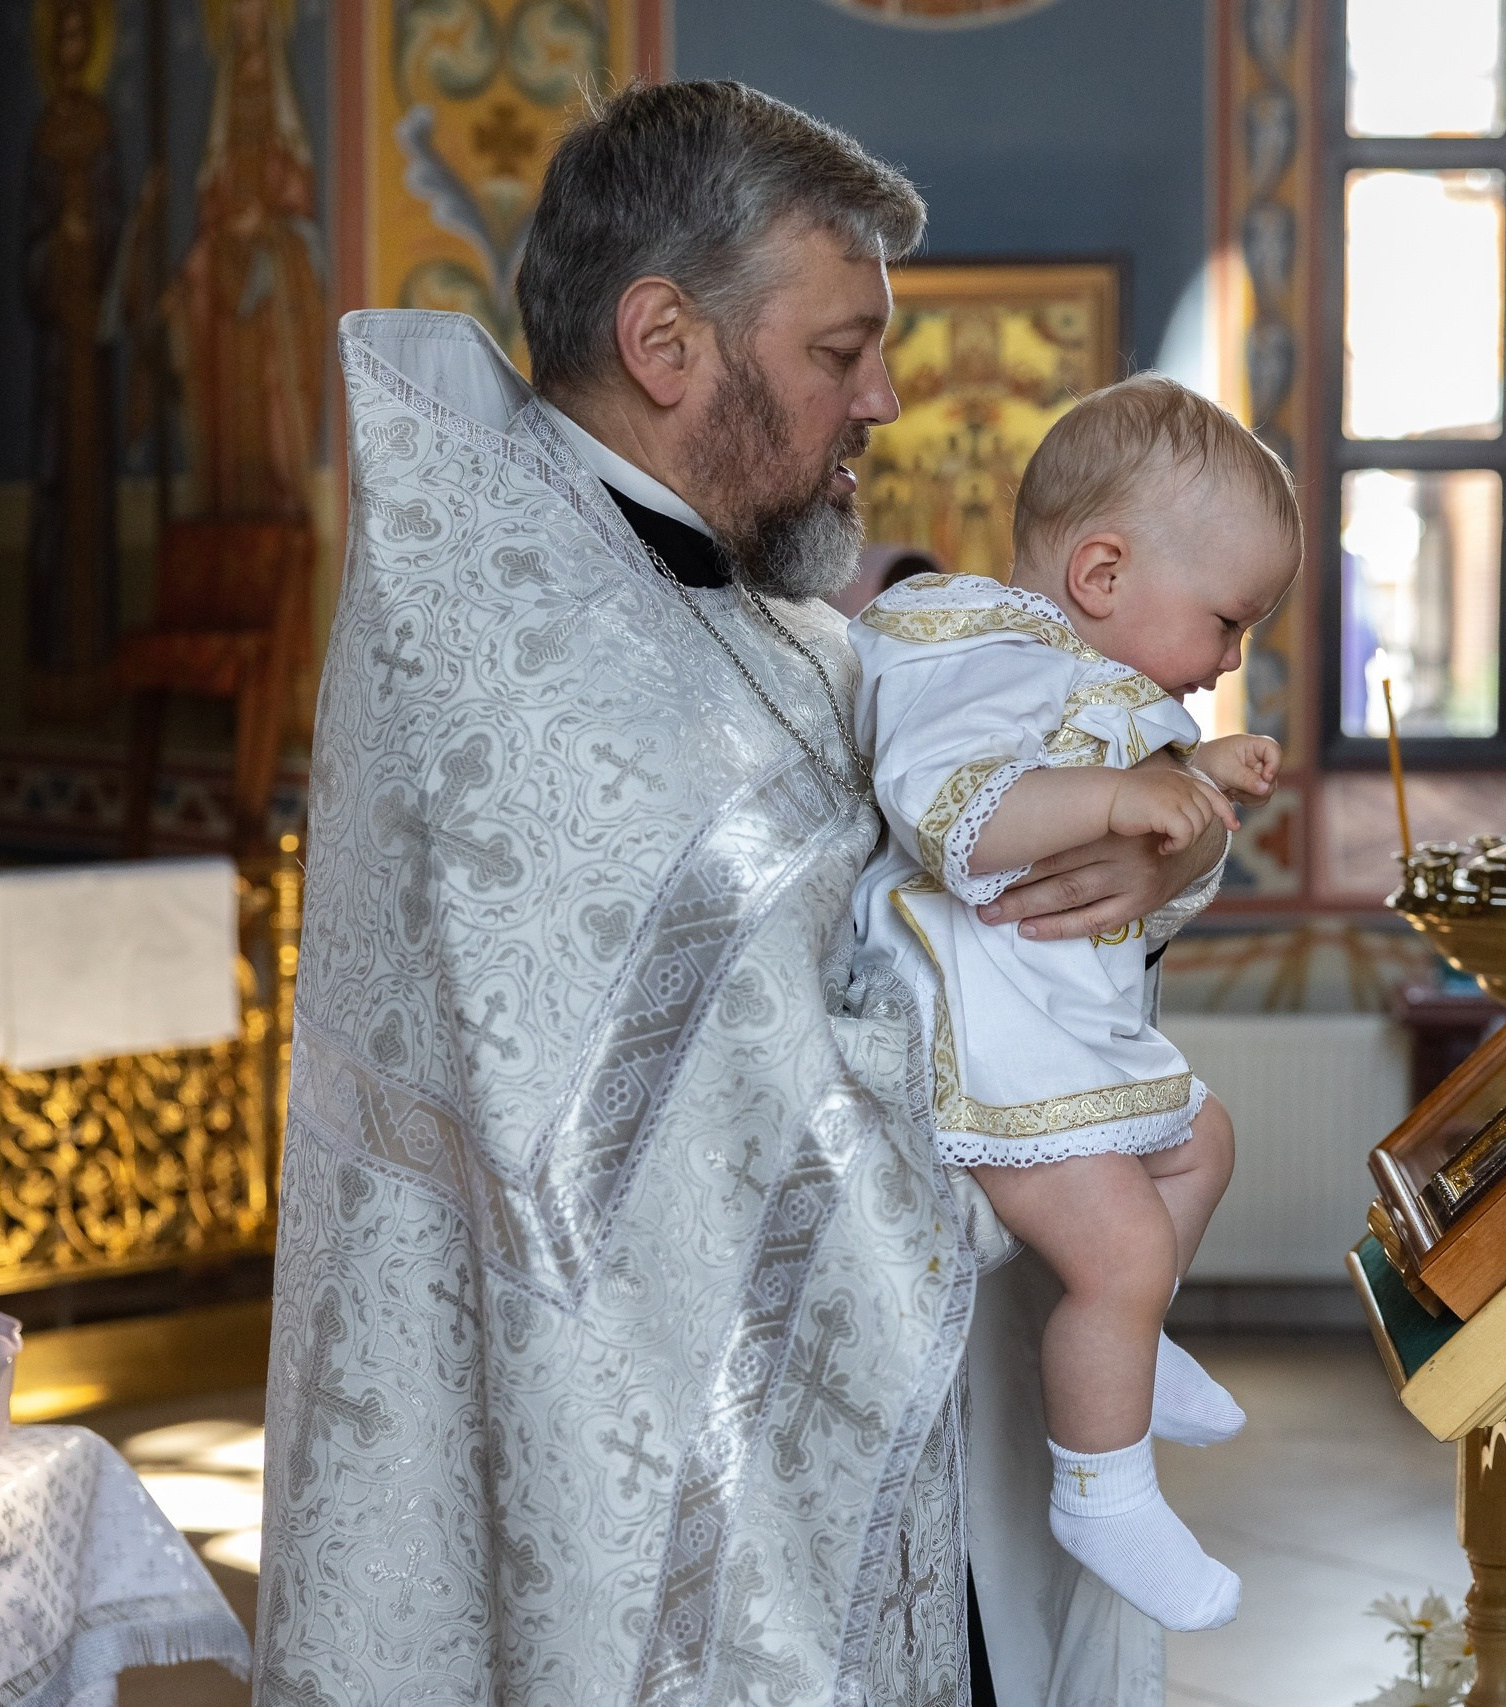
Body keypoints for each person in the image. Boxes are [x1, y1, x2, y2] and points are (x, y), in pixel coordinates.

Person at [258, 81, 1225, 1705]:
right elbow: (730, 1153)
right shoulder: (527, 668)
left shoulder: (769, 620)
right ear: (666, 342)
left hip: (905, 1459)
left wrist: (1168, 847)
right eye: (842, 351)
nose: (885, 400)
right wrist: (1062, 1135)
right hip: (690, 1521)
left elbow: (975, 870)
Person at [850, 377, 1295, 1633]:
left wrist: (1194, 774)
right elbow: (950, 806)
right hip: (977, 1033)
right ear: (1101, 573)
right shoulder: (976, 653)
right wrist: (1120, 800)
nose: (1231, 658)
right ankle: (1105, 1491)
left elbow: (1103, 789)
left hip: (1049, 1020)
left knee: (1202, 1143)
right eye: (1226, 622)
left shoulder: (1069, 671)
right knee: (1122, 1247)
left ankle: (1131, 1346)